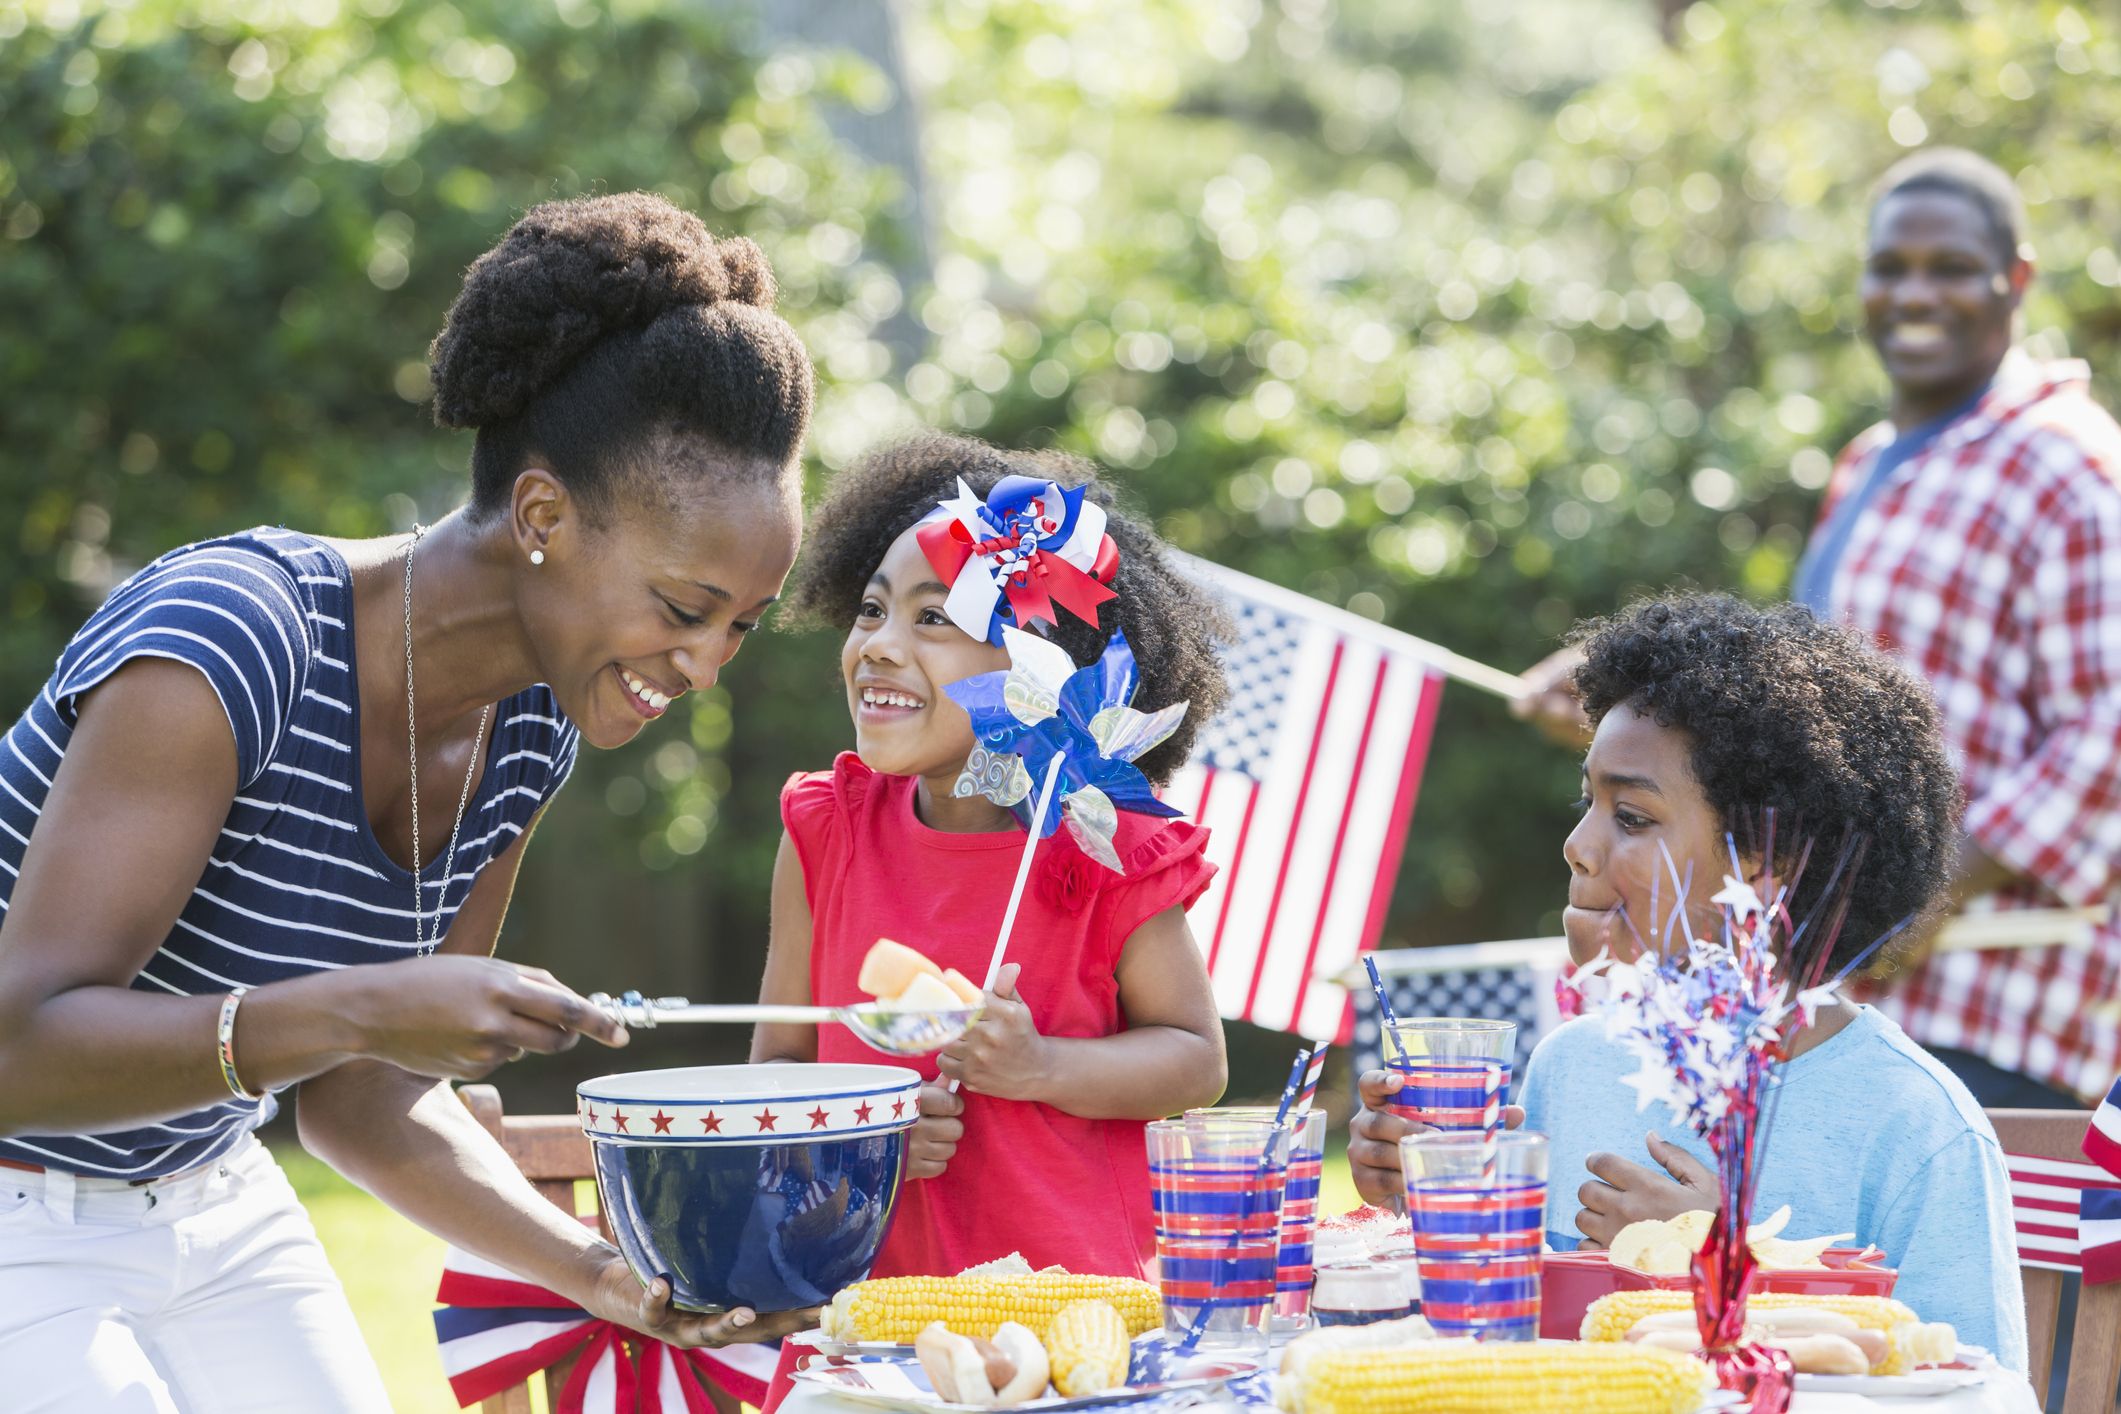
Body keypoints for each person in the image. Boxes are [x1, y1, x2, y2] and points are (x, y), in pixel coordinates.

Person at [0, 192, 817, 1411]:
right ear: (542, 515)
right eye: (684, 608)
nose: (703, 667)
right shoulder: (233, 640)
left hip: (210, 1194)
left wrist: (610, 1277)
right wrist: (365, 1005)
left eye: (739, 627)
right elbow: (17, 1047)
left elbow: (366, 1097)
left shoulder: (529, 727)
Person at [1516, 148, 2121, 1109]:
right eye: (1890, 267)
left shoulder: (2068, 463)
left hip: (1990, 1009)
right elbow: (1807, 725)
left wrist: (1913, 883)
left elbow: (2109, 735)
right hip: (1831, 997)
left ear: (2016, 280)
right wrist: (1639, 719)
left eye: (1951, 267)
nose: (1914, 292)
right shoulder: (1868, 463)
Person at [1356, 594, 2028, 1371]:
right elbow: (1513, 1345)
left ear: (1767, 862)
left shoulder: (1915, 1125)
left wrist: (1728, 1267)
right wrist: (1439, 1202)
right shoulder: (1570, 1066)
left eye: (1631, 817)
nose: (1577, 845)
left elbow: (1980, 1390)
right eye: (1587, 802)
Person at [749, 433, 1232, 1406]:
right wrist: (865, 1135)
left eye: (936, 618)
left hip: (1073, 1333)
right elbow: (774, 1074)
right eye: (874, 608)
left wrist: (1042, 1066)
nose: (879, 642)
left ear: (1038, 669)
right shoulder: (825, 830)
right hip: (871, 1325)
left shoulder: (1103, 851)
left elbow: (1196, 1057)